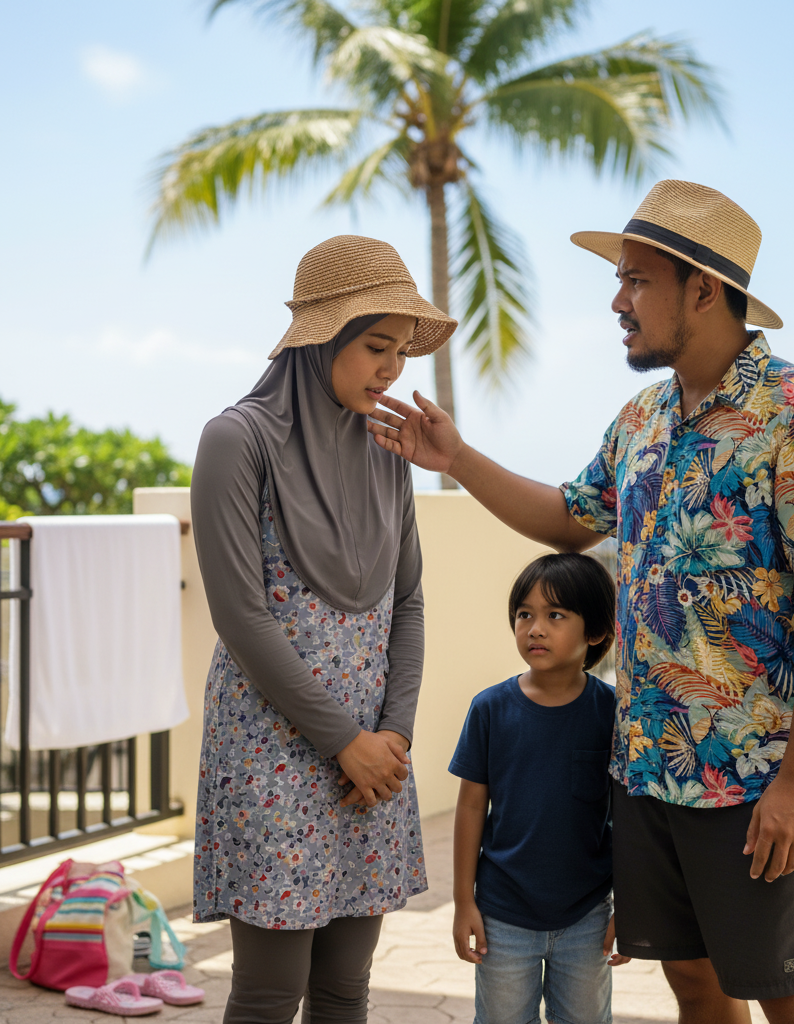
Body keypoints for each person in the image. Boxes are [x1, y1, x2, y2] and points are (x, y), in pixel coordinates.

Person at [369, 181, 794, 1024]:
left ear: (702, 289)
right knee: (695, 983)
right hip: (647, 771)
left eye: (636, 280)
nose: (617, 301)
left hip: (753, 781)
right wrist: (456, 459)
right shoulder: (640, 418)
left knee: (787, 990)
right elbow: (569, 517)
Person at [189, 235, 456, 1024]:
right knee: (271, 994)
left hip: (371, 760)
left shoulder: (387, 450)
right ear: (319, 339)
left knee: (345, 988)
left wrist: (392, 738)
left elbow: (406, 603)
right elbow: (241, 617)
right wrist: (346, 740)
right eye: (377, 346)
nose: (392, 370)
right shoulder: (237, 440)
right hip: (276, 750)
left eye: (401, 351)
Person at [449, 553, 628, 1024]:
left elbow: (629, 814)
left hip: (587, 916)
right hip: (502, 917)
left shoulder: (612, 713)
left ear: (595, 632)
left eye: (555, 615)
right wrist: (463, 901)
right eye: (524, 614)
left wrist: (632, 905)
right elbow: (470, 808)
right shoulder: (489, 709)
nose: (535, 628)